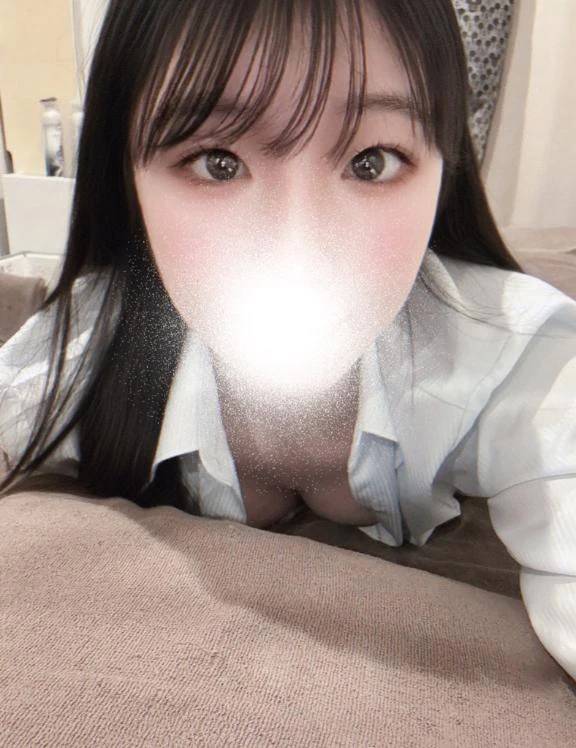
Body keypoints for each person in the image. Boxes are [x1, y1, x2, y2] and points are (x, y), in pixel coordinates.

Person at [0, 0, 574, 680]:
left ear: (443, 172)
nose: (298, 245)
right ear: (128, 180)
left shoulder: (514, 354)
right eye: (217, 162)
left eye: (371, 162)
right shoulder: (85, 348)